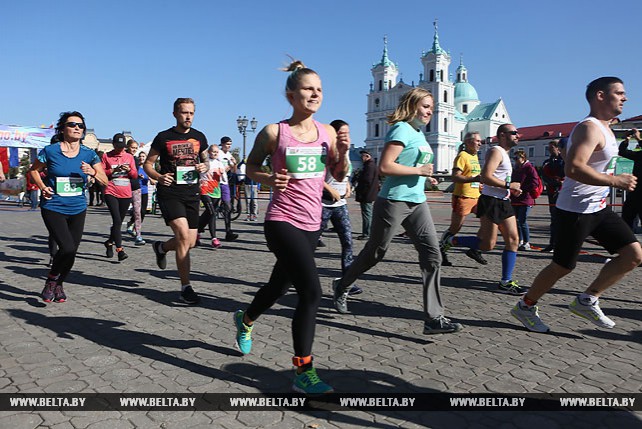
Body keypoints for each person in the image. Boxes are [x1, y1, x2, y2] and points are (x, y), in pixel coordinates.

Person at [233, 60, 350, 395]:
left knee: (278, 287)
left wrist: (341, 154)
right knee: (311, 292)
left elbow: (338, 176)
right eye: (308, 88)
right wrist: (269, 178)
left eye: (319, 89)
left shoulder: (327, 132)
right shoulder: (274, 132)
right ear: (290, 94)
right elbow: (251, 166)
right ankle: (303, 371)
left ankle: (246, 319)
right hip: (281, 219)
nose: (315, 94)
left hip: (313, 222)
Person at [510, 76, 642, 333]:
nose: (625, 98)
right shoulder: (588, 128)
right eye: (619, 93)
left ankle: (587, 299)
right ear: (600, 96)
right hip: (575, 210)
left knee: (633, 255)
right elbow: (573, 168)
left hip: (598, 208)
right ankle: (525, 306)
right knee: (562, 266)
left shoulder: (607, 129)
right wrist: (615, 180)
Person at [332, 87, 463, 336]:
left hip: (417, 201)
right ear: (412, 105)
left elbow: (413, 167)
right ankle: (342, 284)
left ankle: (434, 318)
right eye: (425, 107)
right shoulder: (401, 128)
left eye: (431, 109)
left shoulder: (417, 133)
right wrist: (419, 172)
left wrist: (426, 178)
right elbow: (385, 166)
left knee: (432, 255)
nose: (429, 112)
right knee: (376, 252)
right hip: (393, 201)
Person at [28, 111, 108, 302]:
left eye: (81, 126)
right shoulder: (50, 151)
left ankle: (58, 284)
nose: (77, 128)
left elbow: (105, 181)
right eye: (72, 124)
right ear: (63, 128)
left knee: (72, 251)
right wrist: (42, 187)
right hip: (54, 205)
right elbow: (33, 170)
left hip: (78, 207)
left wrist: (93, 172)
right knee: (66, 247)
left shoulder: (90, 154)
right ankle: (52, 281)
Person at [443, 124, 524, 295]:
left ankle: (505, 281)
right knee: (487, 244)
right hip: (491, 201)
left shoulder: (506, 154)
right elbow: (486, 177)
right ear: (502, 135)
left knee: (514, 240)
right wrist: (509, 185)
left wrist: (511, 189)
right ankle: (452, 241)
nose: (518, 135)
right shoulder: (496, 151)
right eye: (514, 133)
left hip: (504, 201)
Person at [144, 98, 210, 305]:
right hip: (170, 192)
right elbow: (148, 164)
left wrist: (204, 167)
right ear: (175, 114)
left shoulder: (199, 137)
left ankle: (161, 248)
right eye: (184, 112)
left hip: (192, 194)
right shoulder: (163, 137)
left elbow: (206, 161)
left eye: (191, 113)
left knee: (189, 242)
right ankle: (185, 287)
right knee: (182, 235)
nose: (188, 116)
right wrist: (158, 177)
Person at [320, 119, 363, 296]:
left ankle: (346, 282)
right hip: (323, 204)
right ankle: (292, 276)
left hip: (340, 205)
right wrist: (330, 189)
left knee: (348, 242)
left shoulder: (346, 153)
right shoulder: (325, 151)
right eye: (342, 132)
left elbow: (346, 176)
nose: (346, 136)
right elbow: (317, 177)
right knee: (309, 243)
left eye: (348, 132)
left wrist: (347, 187)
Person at [440, 132, 485, 266]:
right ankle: (442, 250)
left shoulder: (475, 156)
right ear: (468, 142)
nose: (480, 143)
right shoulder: (462, 156)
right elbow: (455, 177)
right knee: (455, 228)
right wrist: (474, 179)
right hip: (463, 197)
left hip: (477, 196)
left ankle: (475, 249)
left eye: (480, 141)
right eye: (477, 141)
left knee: (488, 223)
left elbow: (474, 176)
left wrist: (479, 184)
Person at [101, 133, 138, 261]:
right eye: (118, 146)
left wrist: (128, 170)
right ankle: (120, 250)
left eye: (122, 146)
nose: (120, 149)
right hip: (111, 191)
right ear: (113, 145)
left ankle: (109, 242)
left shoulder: (129, 157)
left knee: (118, 222)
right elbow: (102, 172)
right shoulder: (107, 156)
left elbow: (134, 175)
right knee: (117, 221)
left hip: (126, 193)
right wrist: (113, 171)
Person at [510, 150, 539, 251]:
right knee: (516, 221)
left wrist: (523, 189)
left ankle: (527, 242)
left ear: (523, 158)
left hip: (525, 199)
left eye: (517, 158)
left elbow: (535, 183)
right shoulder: (516, 169)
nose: (515, 161)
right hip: (515, 198)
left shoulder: (529, 168)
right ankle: (520, 240)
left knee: (522, 221)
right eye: (514, 159)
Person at [197, 144, 224, 248]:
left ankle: (197, 232)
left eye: (217, 152)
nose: (215, 154)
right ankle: (214, 238)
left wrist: (222, 172)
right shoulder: (204, 162)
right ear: (208, 152)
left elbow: (223, 177)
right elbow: (199, 172)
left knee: (209, 213)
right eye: (213, 152)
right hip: (204, 189)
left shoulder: (219, 163)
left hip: (216, 190)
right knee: (212, 212)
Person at [540, 139, 565, 252]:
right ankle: (552, 243)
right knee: (554, 219)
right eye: (548, 148)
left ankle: (561, 244)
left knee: (563, 219)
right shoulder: (547, 162)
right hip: (552, 192)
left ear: (557, 148)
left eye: (551, 148)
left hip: (563, 192)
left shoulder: (565, 160)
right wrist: (553, 182)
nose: (549, 150)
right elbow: (544, 176)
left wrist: (561, 181)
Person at [618, 128, 642, 230]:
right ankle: (625, 243)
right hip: (635, 192)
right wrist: (626, 140)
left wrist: (638, 139)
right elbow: (623, 152)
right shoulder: (640, 155)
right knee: (626, 219)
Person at [124, 139, 146, 245]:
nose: (134, 150)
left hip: (135, 187)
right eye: (133, 148)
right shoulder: (123, 157)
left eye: (136, 148)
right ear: (128, 147)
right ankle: (114, 234)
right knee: (120, 213)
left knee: (138, 212)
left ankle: (138, 235)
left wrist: (138, 175)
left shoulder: (136, 159)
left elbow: (134, 173)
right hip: (123, 187)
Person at [218, 136, 239, 241]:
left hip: (225, 181)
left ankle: (228, 231)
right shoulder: (218, 153)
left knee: (228, 206)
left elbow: (234, 170)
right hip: (216, 182)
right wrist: (227, 167)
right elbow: (217, 168)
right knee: (211, 210)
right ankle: (199, 228)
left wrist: (234, 164)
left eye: (230, 145)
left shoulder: (229, 155)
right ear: (222, 144)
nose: (228, 147)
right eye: (227, 144)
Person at [354, 149, 378, 240]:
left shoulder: (369, 166)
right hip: (369, 194)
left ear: (367, 156)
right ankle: (368, 232)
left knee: (367, 214)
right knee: (368, 213)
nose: (361, 158)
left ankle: (367, 233)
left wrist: (359, 182)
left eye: (362, 156)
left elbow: (367, 180)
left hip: (366, 194)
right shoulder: (371, 165)